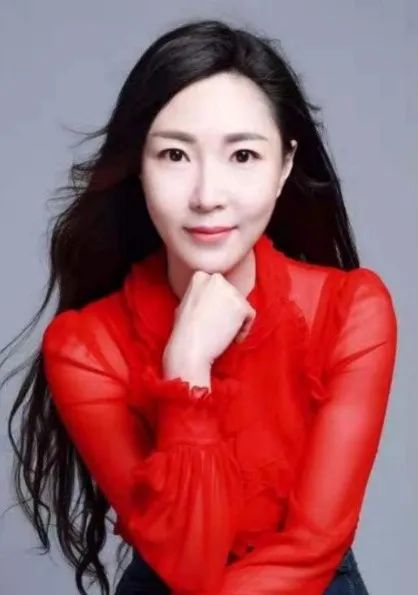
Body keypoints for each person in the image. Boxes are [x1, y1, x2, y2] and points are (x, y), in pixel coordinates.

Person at [2, 18, 398, 595]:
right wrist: (187, 366)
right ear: (139, 167)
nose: (208, 195)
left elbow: (312, 547)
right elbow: (187, 566)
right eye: (174, 154)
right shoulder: (85, 346)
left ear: (284, 166)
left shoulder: (350, 310)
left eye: (243, 155)